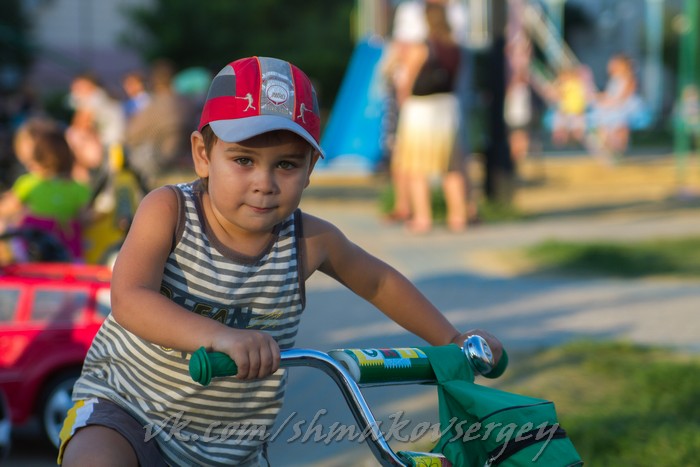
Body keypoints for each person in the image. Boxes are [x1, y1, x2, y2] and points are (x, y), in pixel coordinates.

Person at [57, 56, 504, 467]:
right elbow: (129, 297)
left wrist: (454, 340)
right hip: (128, 408)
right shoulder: (170, 211)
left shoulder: (310, 240)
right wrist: (218, 336)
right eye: (244, 159)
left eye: (286, 165)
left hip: (229, 443)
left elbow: (378, 283)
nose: (264, 183)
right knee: (96, 459)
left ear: (311, 167)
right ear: (202, 155)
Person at [391, 2, 468, 233]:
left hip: (421, 108)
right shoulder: (455, 47)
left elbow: (407, 80)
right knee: (451, 165)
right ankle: (458, 216)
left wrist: (401, 98)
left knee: (416, 166)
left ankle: (423, 218)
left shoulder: (422, 47)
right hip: (448, 106)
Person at [0, 117, 91, 262]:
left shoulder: (29, 184)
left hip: (33, 252)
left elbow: (6, 208)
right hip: (70, 252)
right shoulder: (78, 188)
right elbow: (85, 218)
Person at [124, 59, 192, 190]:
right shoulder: (187, 102)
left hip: (159, 160)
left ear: (154, 81)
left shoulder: (153, 105)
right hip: (187, 157)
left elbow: (131, 135)